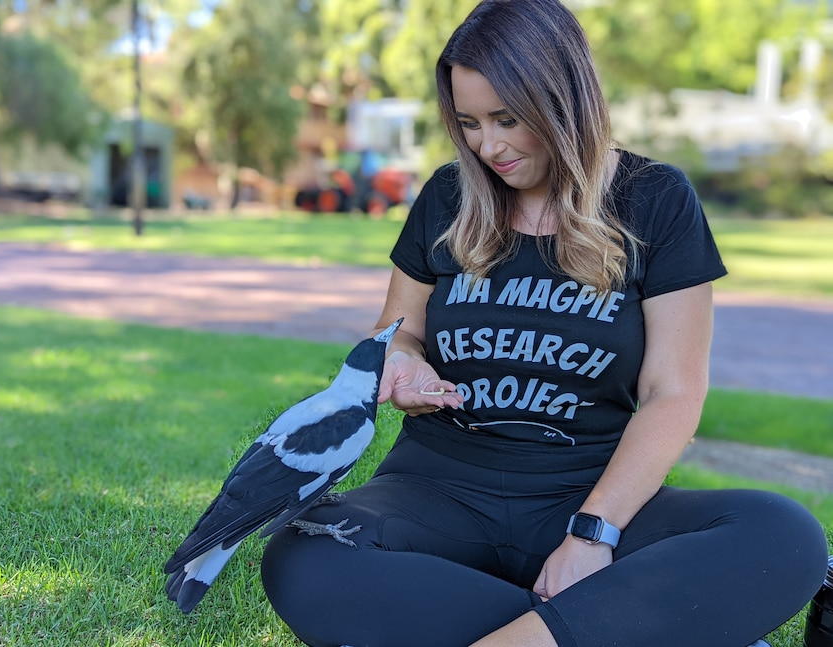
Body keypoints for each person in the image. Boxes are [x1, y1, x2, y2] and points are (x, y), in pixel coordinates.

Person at [261, 1, 829, 645]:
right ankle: (610, 626)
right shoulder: (447, 197)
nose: (487, 146)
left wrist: (593, 536)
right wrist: (405, 364)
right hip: (437, 490)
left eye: (507, 119)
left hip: (589, 493)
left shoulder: (656, 201)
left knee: (781, 535)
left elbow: (674, 394)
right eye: (470, 123)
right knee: (304, 553)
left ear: (565, 102)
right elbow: (395, 336)